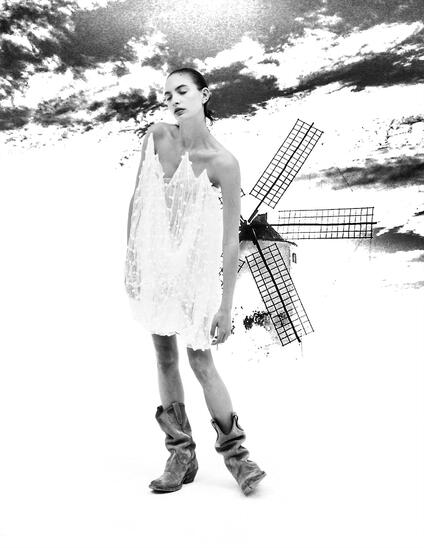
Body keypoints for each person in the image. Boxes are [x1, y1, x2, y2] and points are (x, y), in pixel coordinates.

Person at [124, 67, 266, 495]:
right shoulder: (156, 137)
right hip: (155, 266)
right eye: (168, 94)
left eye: (182, 91)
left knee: (202, 362)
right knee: (164, 356)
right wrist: (131, 265)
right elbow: (136, 203)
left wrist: (225, 305)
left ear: (204, 94)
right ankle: (180, 454)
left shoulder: (224, 163)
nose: (174, 100)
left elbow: (230, 240)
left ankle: (238, 457)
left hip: (194, 272)